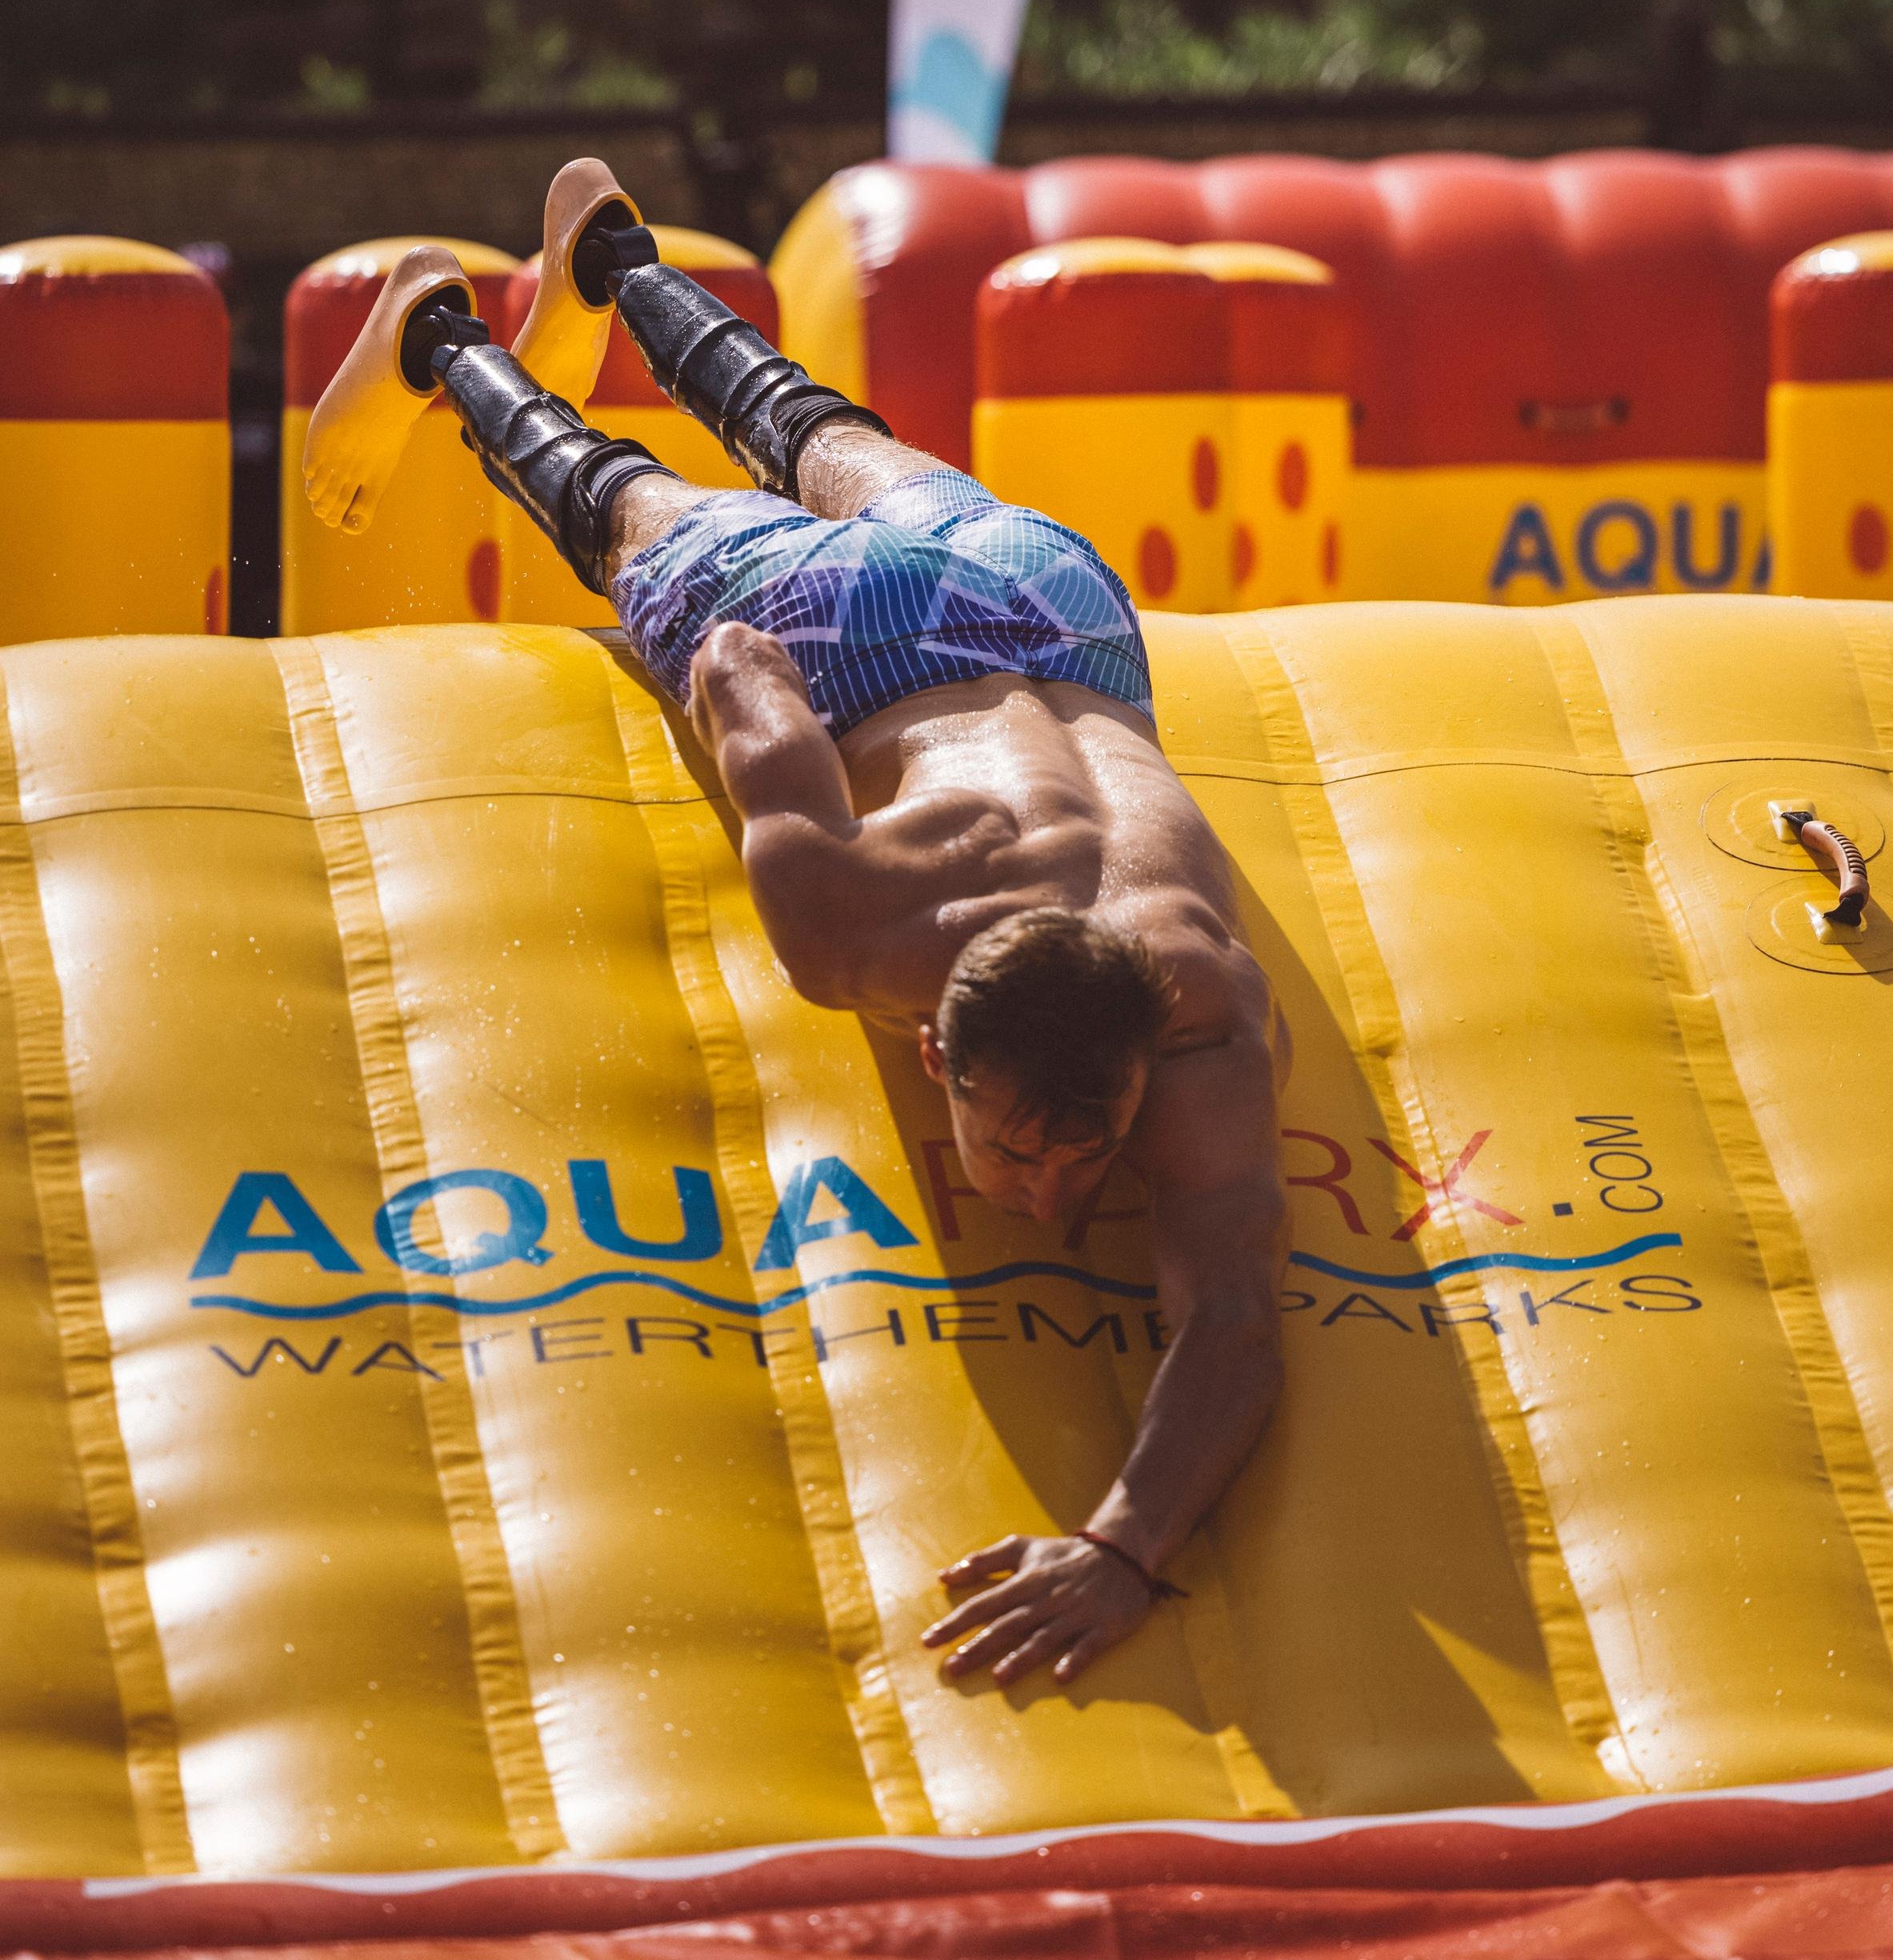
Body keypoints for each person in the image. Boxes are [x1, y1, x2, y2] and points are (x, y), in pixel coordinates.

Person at [306, 158, 1291, 1692]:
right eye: (1022, 1146)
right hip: (926, 632)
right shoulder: (853, 938)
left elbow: (1233, 1322)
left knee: (818, 438)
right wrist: (700, 594)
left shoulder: (1201, 1012)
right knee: (631, 517)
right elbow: (745, 679)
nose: (1048, 1189)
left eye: (1080, 1149)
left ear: (1145, 1043)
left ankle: (616, 256)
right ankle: (442, 334)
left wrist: (1116, 1550)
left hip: (1065, 609)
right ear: (937, 1049)